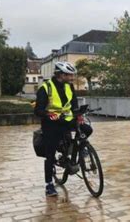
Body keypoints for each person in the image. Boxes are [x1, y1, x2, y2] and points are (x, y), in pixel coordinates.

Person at [34, 61, 93, 197]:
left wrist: (78, 115)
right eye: (69, 75)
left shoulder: (69, 86)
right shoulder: (46, 88)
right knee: (50, 154)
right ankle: (49, 185)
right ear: (61, 74)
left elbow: (74, 104)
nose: (72, 77)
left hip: (66, 120)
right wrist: (49, 114)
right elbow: (38, 110)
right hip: (51, 123)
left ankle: (79, 149)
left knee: (87, 130)